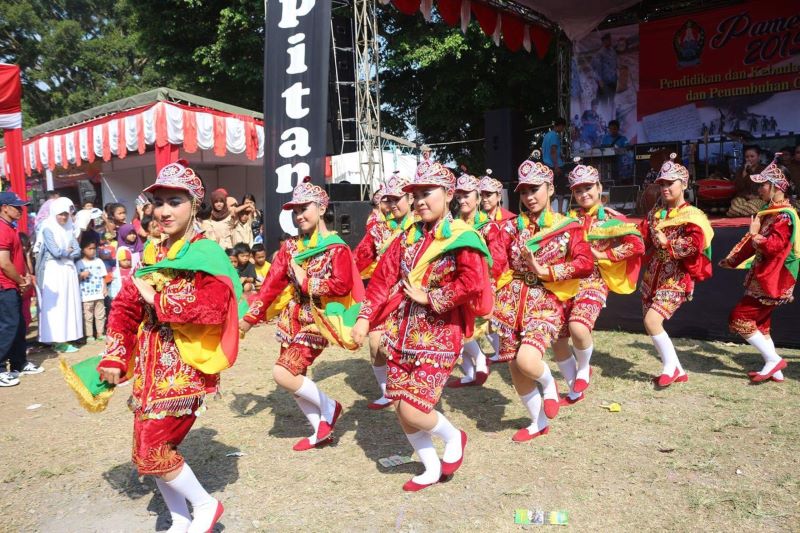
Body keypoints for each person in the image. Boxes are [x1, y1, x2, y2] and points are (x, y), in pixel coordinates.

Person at [98, 159, 243, 533]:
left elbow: (214, 308)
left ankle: (205, 505)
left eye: (174, 201)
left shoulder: (206, 253)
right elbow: (125, 306)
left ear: (194, 205)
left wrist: (157, 300)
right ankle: (179, 517)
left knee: (152, 450)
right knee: (147, 450)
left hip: (184, 367)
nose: (163, 210)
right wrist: (115, 354)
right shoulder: (152, 252)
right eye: (158, 201)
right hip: (149, 368)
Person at [351, 161, 493, 492]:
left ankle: (453, 436)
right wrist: (363, 318)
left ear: (449, 195)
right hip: (401, 331)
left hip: (441, 333)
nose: (419, 201)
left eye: (427, 193)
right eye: (415, 195)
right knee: (400, 404)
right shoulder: (406, 239)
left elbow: (473, 282)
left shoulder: (462, 237)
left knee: (415, 408)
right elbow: (381, 282)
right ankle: (430, 466)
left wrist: (431, 297)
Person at [239, 177, 362, 452]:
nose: (298, 216)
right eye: (295, 211)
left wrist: (307, 282)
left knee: (283, 373)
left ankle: (330, 408)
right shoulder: (290, 248)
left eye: (304, 208)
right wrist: (248, 320)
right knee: (296, 377)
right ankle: (320, 429)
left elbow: (343, 284)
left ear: (320, 208)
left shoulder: (336, 247)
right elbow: (270, 285)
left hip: (319, 319)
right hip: (291, 318)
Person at [491, 160, 593, 441]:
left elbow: (585, 262)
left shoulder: (567, 226)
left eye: (535, 189)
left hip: (547, 301)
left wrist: (547, 271)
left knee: (527, 359)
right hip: (510, 304)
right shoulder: (508, 228)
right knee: (515, 366)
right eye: (523, 192)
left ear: (549, 189)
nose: (529, 197)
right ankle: (538, 421)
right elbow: (497, 264)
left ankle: (550, 387)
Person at [552, 161, 645, 405]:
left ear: (599, 187)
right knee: (558, 338)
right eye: (578, 190)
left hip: (594, 281)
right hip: (568, 281)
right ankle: (575, 390)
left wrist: (604, 255)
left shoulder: (612, 218)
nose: (584, 194)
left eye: (588, 188)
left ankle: (584, 368)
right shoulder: (568, 220)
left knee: (579, 327)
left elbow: (637, 245)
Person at [720, 156, 796, 383]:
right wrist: (732, 261)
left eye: (763, 184)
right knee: (761, 325)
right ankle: (775, 369)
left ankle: (774, 361)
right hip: (765, 278)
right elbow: (752, 244)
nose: (759, 188)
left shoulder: (784, 216)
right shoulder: (769, 212)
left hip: (773, 279)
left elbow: (774, 247)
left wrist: (755, 235)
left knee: (739, 318)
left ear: (776, 187)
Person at [640, 154, 714, 387]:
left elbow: (695, 245)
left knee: (652, 321)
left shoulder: (692, 216)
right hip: (652, 276)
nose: (664, 188)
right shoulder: (655, 213)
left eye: (669, 183)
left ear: (684, 184)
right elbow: (641, 239)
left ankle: (669, 369)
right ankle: (679, 370)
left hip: (676, 277)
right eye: (661, 183)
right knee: (650, 323)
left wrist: (668, 244)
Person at [354, 173, 415, 409]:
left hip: (410, 297)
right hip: (382, 294)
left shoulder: (422, 227)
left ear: (410, 199)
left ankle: (409, 387)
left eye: (396, 198)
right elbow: (359, 258)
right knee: (375, 346)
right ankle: (387, 392)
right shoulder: (378, 230)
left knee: (394, 346)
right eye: (387, 199)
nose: (391, 204)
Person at [446, 173, 504, 388]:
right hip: (457, 285)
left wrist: (477, 275)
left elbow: (497, 261)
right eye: (458, 195)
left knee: (467, 328)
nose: (462, 200)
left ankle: (480, 362)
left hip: (479, 286)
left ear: (478, 198)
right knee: (457, 328)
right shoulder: (452, 227)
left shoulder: (490, 227)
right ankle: (472, 372)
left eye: (466, 195)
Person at [0, 192, 42, 387]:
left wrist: (22, 278)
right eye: (16, 207)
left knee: (17, 325)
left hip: (13, 284)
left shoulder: (10, 227)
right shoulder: (2, 229)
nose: (21, 210)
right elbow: (3, 262)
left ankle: (18, 363)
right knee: (8, 327)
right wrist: (20, 280)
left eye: (22, 206)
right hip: (5, 285)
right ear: (4, 207)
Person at [36, 197, 83, 353]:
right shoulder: (48, 228)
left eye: (66, 214)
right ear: (54, 213)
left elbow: (77, 250)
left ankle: (68, 337)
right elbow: (55, 252)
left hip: (68, 270)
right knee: (57, 305)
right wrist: (67, 251)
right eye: (60, 214)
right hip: (54, 271)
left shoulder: (70, 228)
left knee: (69, 303)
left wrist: (67, 252)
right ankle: (56, 340)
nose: (63, 217)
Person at [76, 234, 108, 342]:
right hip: (86, 295)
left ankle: (100, 333)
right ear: (83, 250)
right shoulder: (79, 263)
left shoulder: (99, 261)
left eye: (94, 248)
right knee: (87, 316)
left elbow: (103, 276)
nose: (92, 251)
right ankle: (89, 335)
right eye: (89, 249)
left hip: (98, 294)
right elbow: (75, 279)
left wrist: (104, 288)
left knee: (100, 314)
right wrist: (81, 275)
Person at [727, 145, 765, 217]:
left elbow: (767, 187)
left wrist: (758, 196)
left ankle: (733, 213)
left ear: (758, 157)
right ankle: (739, 212)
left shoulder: (764, 169)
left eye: (752, 156)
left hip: (759, 198)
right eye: (747, 157)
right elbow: (737, 187)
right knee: (734, 206)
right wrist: (744, 173)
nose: (749, 159)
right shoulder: (741, 170)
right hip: (742, 198)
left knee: (750, 208)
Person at [542, 118, 566, 183]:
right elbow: (553, 151)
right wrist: (556, 167)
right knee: (561, 188)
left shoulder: (547, 135)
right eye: (563, 127)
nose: (563, 129)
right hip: (553, 166)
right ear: (561, 125)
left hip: (546, 165)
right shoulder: (554, 136)